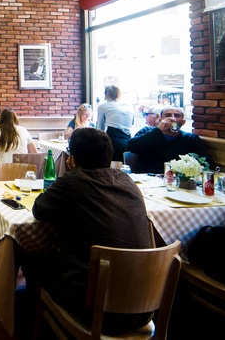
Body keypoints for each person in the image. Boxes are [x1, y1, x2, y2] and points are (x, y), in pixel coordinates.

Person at [28, 128, 153, 335]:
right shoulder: (127, 181)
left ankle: (31, 327)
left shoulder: (72, 181)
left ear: (72, 159)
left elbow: (39, 210)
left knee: (33, 259)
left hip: (93, 308)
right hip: (144, 305)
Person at [127, 106, 216, 174]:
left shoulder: (191, 139)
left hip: (177, 180)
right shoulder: (148, 131)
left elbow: (208, 164)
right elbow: (131, 146)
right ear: (160, 120)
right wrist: (158, 130)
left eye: (177, 115)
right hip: (148, 177)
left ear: (183, 122)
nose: (172, 118)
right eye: (168, 115)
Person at [96, 85, 134, 161]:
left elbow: (101, 127)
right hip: (128, 139)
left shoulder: (103, 106)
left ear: (106, 95)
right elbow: (132, 122)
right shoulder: (129, 106)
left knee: (112, 163)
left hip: (113, 138)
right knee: (125, 163)